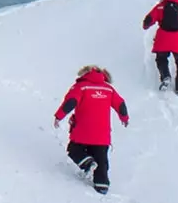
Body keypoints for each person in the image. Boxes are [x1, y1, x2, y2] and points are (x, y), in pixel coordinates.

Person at [52, 65, 129, 195]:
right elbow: (120, 104)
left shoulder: (81, 87)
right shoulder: (109, 89)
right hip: (102, 134)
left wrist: (59, 116)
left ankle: (87, 163)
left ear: (84, 74)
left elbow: (70, 102)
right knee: (102, 160)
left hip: (83, 130)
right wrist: (124, 117)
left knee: (74, 149)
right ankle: (102, 185)